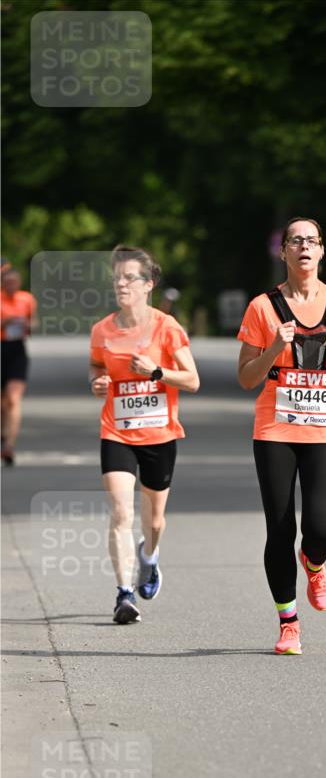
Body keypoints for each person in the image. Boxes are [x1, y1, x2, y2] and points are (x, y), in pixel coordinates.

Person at [237, 217, 326, 654]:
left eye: (311, 240)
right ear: (284, 251)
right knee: (279, 528)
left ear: (322, 250)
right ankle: (288, 622)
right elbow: (246, 378)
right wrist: (274, 347)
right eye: (295, 240)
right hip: (275, 429)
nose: (304, 247)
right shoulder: (262, 307)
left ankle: (314, 561)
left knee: (321, 528)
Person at [89, 246, 200, 624]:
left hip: (159, 434)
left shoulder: (167, 328)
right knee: (121, 512)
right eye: (117, 278)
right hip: (117, 431)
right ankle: (123, 593)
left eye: (129, 277)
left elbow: (192, 380)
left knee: (153, 522)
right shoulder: (102, 330)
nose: (121, 284)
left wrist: (156, 372)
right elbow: (96, 366)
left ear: (148, 284)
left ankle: (149, 557)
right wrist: (97, 382)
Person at [1, 265, 38, 465]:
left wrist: (27, 325)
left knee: (13, 399)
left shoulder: (27, 299)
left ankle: (9, 445)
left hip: (17, 351)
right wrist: (4, 323)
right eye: (8, 282)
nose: (11, 286)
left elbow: (34, 323)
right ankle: (3, 432)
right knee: (2, 402)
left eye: (15, 282)